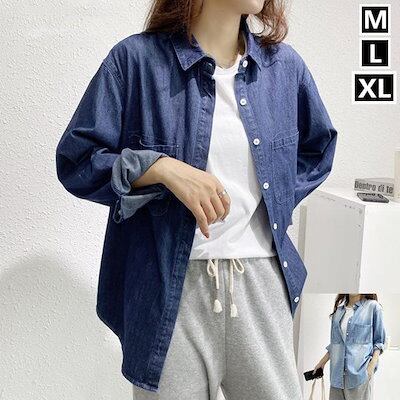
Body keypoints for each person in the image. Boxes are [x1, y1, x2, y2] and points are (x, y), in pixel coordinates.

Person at [55, 0, 337, 398]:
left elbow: (318, 148)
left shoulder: (283, 68)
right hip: (168, 291)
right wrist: (161, 168)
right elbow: (78, 160)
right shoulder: (136, 62)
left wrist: (274, 198)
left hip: (259, 284)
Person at [314, 294, 386, 400]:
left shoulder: (373, 307)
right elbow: (336, 344)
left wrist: (370, 368)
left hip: (360, 375)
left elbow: (379, 341)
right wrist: (322, 363)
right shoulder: (338, 312)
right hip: (337, 377)